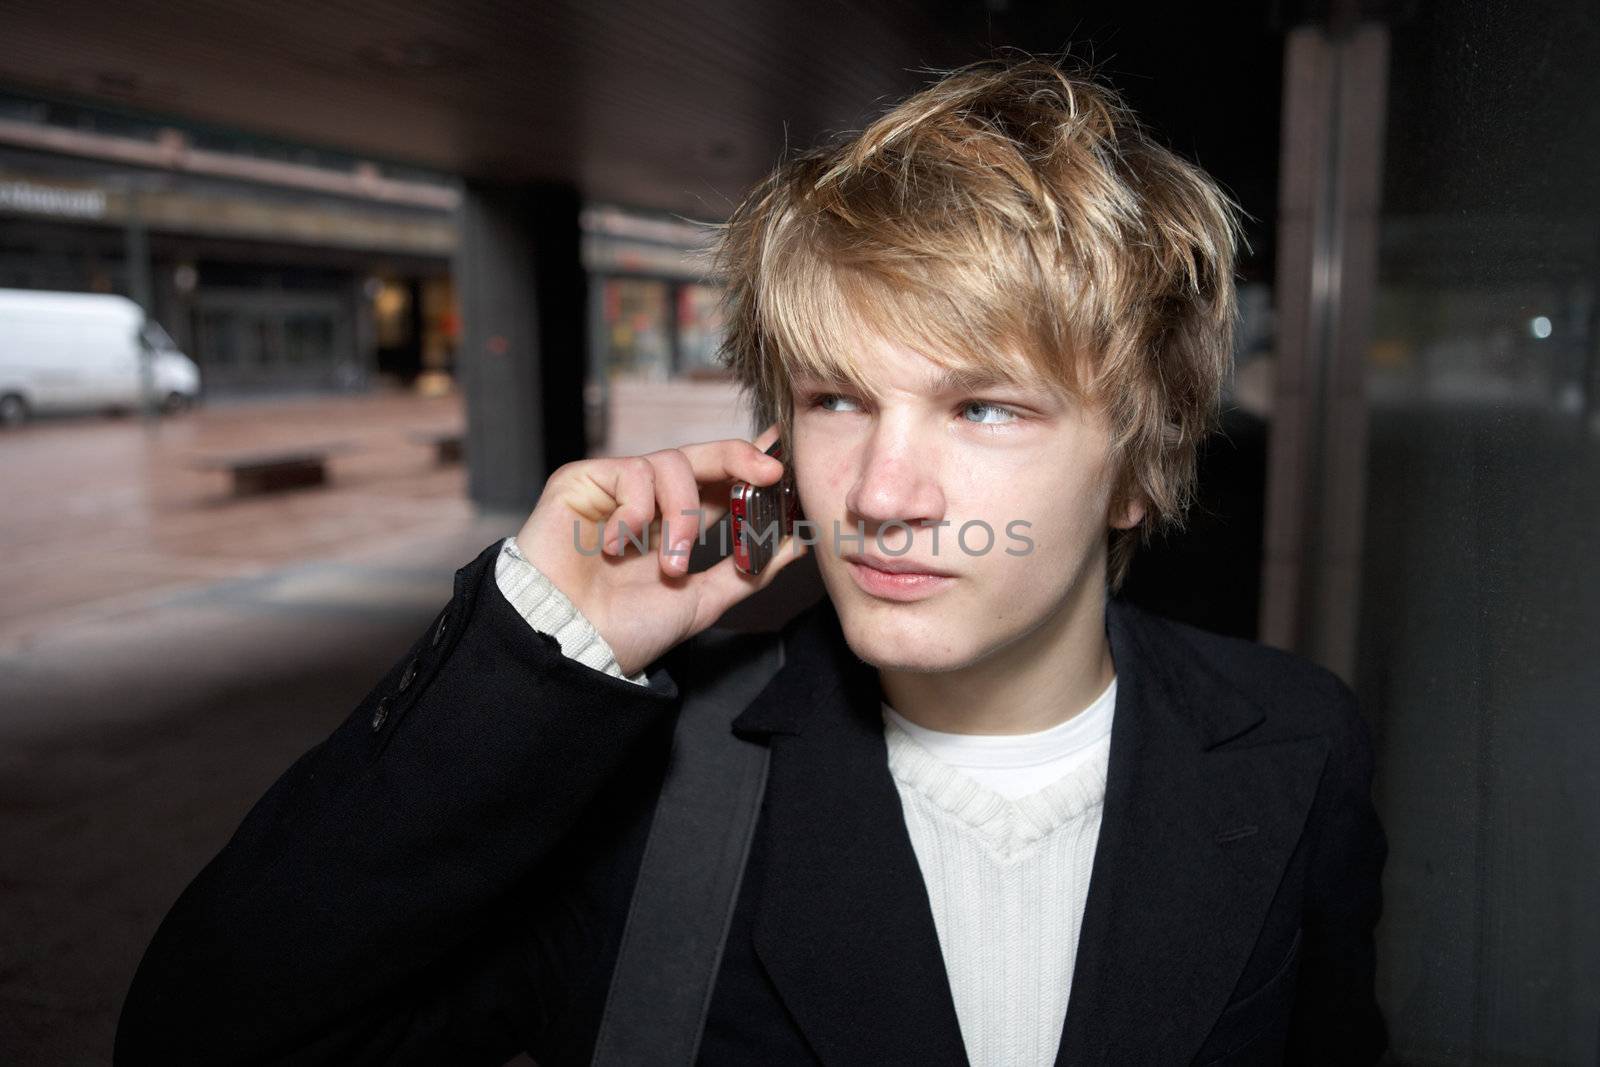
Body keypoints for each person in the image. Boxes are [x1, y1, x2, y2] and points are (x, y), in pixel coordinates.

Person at [115, 58, 1387, 1066]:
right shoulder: (647, 779)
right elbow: (208, 1033)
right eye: (837, 400)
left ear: (1136, 467)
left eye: (985, 407)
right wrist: (541, 644)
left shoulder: (1290, 740)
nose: (881, 495)